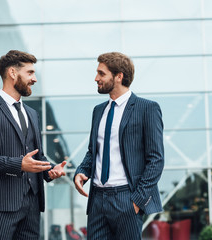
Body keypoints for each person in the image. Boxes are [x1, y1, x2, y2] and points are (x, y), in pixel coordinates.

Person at [0, 50, 66, 240]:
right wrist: (18, 164)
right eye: (30, 73)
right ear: (12, 73)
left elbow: (37, 156)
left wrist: (50, 170)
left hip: (32, 205)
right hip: (1, 205)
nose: (34, 79)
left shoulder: (32, 113)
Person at [74, 52, 164, 239]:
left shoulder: (147, 108)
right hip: (97, 200)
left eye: (101, 73)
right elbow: (94, 151)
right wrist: (82, 171)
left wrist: (137, 201)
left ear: (119, 76)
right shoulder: (99, 111)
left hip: (126, 198)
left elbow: (156, 160)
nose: (96, 78)